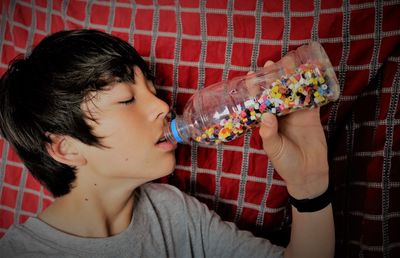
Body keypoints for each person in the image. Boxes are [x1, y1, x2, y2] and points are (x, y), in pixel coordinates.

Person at [0, 29, 334, 258]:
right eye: (127, 99)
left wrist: (309, 184)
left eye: (153, 90)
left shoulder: (173, 212)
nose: (163, 106)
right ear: (66, 148)